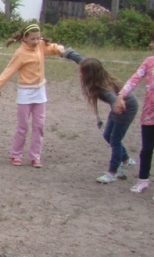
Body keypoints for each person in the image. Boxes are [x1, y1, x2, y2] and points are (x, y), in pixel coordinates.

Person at [0, 23, 65, 168]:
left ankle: (35, 156)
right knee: (22, 126)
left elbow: (52, 48)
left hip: (40, 92)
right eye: (32, 39)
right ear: (25, 38)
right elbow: (9, 70)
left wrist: (59, 49)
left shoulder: (41, 46)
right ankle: (16, 154)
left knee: (39, 125)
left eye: (38, 38)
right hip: (25, 93)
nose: (36, 41)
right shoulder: (20, 53)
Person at [64, 49, 138, 183]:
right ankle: (127, 160)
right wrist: (65, 52)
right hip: (118, 107)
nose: (79, 72)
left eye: (81, 71)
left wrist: (117, 104)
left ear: (88, 74)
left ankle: (112, 173)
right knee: (107, 135)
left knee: (115, 139)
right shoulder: (95, 72)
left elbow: (113, 98)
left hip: (125, 108)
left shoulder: (102, 88)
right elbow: (81, 59)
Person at [115, 33, 154, 195]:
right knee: (146, 149)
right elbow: (134, 79)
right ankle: (143, 179)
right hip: (149, 114)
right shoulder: (149, 62)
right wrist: (121, 94)